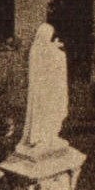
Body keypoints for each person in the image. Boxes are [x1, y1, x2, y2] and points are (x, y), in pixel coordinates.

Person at [20, 22, 70, 150]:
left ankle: (48, 135)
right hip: (44, 89)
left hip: (47, 88)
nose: (50, 38)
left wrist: (53, 47)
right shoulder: (40, 49)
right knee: (45, 112)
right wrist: (57, 49)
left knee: (49, 112)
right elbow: (54, 59)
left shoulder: (37, 48)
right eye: (49, 35)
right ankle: (41, 136)